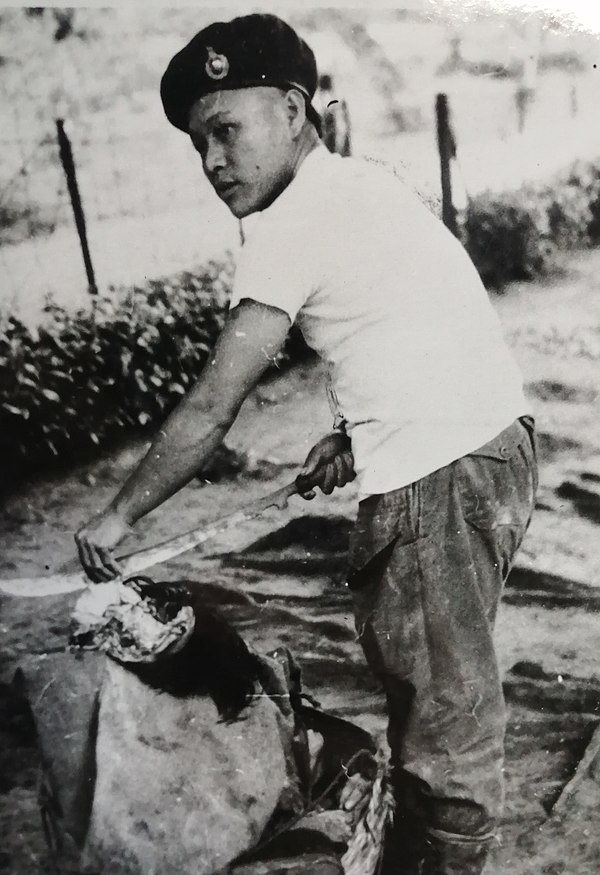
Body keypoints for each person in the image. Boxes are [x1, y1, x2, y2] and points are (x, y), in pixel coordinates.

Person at [75, 13, 538, 875]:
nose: (213, 162)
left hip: (438, 477)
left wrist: (117, 515)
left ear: (293, 110)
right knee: (438, 701)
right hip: (487, 448)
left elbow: (214, 405)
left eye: (226, 131)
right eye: (197, 145)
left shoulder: (291, 224)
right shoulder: (361, 186)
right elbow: (415, 320)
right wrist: (350, 435)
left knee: (443, 736)